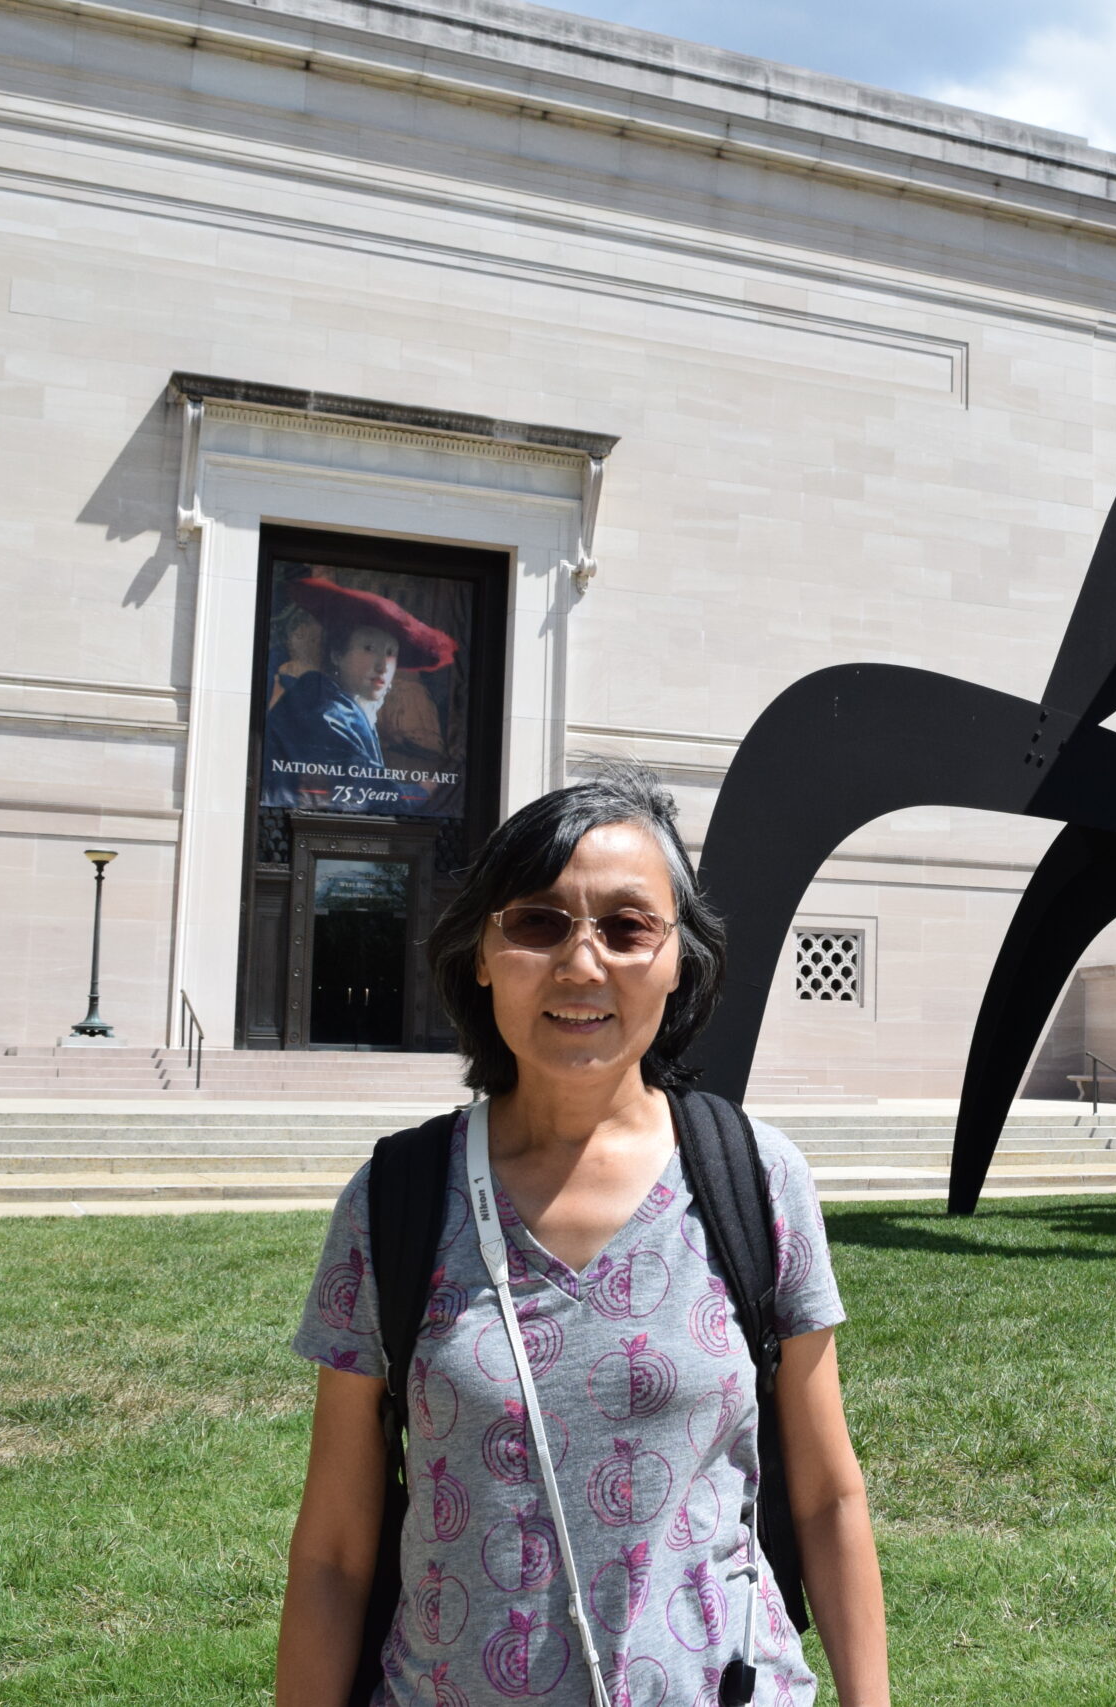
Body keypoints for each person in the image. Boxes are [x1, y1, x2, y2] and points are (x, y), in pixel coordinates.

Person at [275, 769, 889, 1706]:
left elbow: (827, 1496)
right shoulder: (394, 1201)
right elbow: (333, 1550)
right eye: (538, 922)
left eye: (627, 927)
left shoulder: (759, 1180)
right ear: (483, 953)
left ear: (679, 958)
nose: (582, 963)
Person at [263, 576, 459, 809]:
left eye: (390, 653)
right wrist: (422, 791)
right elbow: (362, 794)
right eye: (369, 648)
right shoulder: (325, 710)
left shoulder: (344, 705)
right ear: (337, 654)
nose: (382, 666)